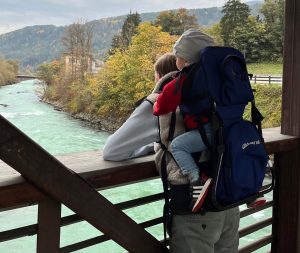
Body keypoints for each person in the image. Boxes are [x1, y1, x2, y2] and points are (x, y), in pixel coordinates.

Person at [103, 28, 240, 253]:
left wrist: (154, 147)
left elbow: (112, 150)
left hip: (195, 210)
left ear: (181, 61)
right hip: (229, 201)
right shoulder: (223, 92)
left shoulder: (162, 99)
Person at [153, 29, 214, 213]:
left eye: (177, 55)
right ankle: (253, 188)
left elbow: (161, 108)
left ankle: (196, 180)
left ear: (186, 59)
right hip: (226, 130)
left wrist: (155, 100)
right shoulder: (215, 75)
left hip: (206, 132)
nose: (175, 59)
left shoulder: (184, 79)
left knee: (178, 146)